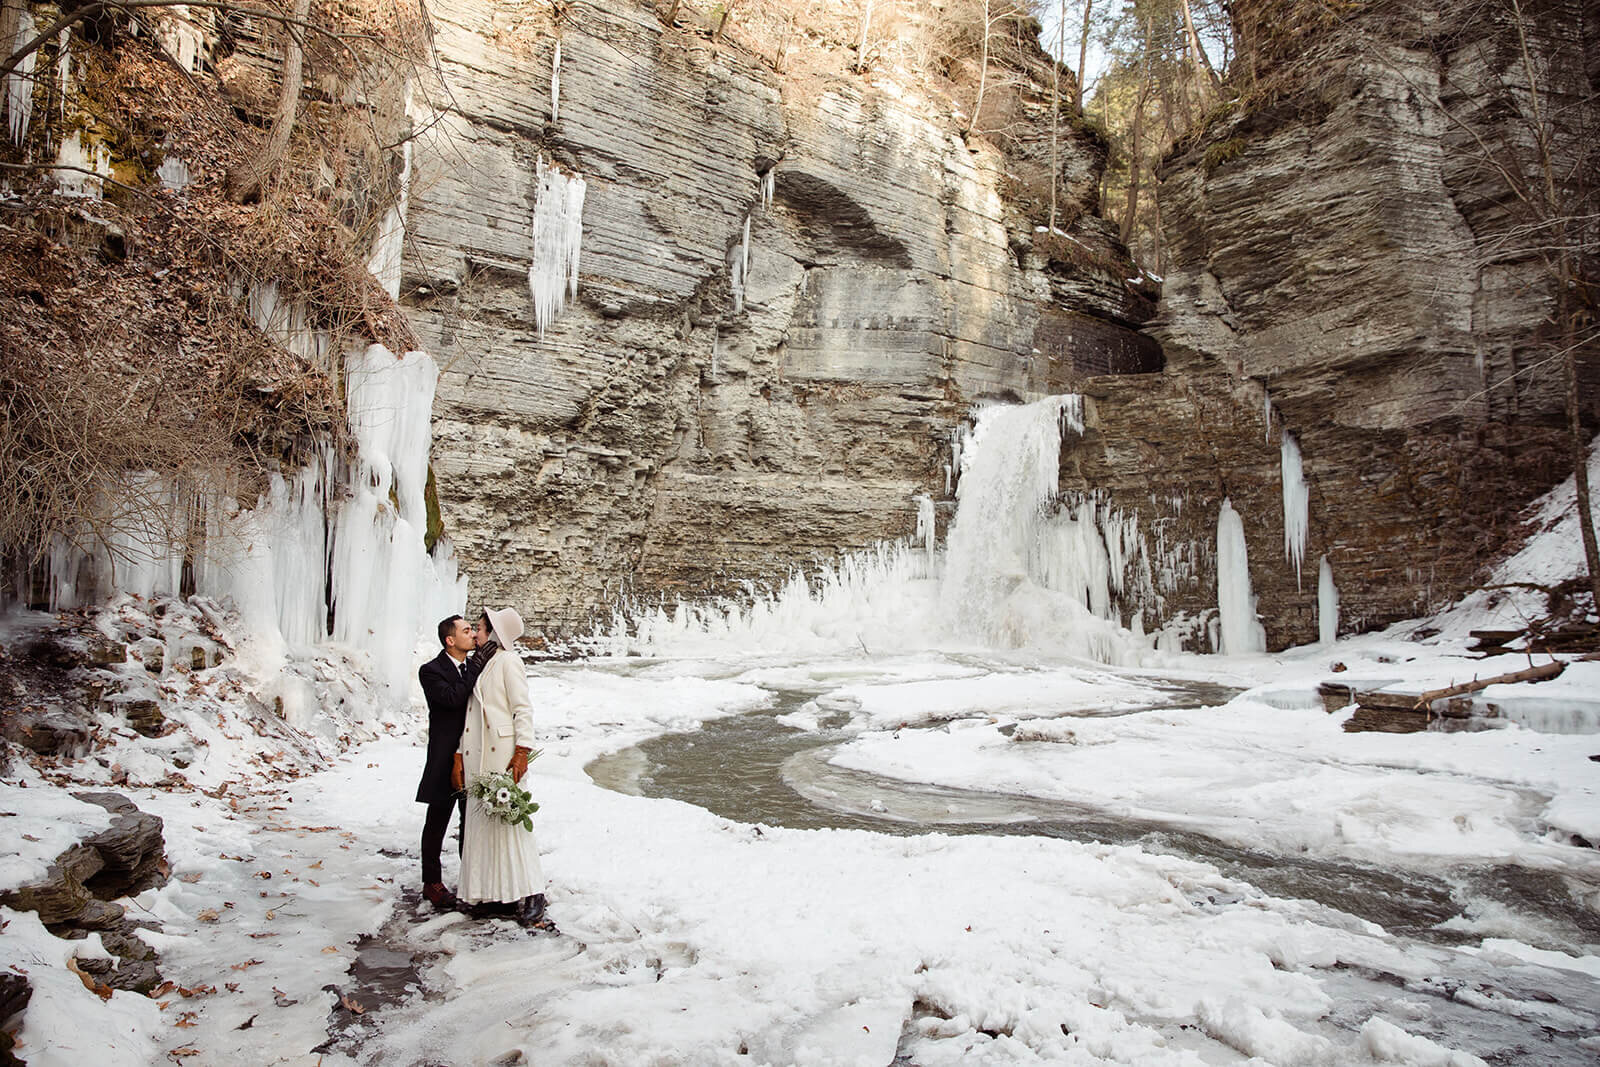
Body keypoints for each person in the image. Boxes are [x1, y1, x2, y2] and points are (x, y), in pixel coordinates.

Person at [453, 607, 549, 927]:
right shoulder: (479, 664)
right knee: (484, 826)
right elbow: (466, 714)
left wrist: (522, 751)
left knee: (512, 825)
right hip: (476, 754)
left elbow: (523, 710)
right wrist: (457, 754)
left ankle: (534, 893)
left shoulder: (508, 662)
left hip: (502, 756)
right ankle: (497, 897)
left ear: (494, 632)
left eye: (479, 628)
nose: (476, 633)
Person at [415, 614, 486, 911]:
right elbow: (453, 698)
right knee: (438, 820)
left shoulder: (473, 666)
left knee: (470, 819)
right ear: (450, 640)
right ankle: (431, 883)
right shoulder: (431, 671)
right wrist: (475, 670)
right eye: (466, 631)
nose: (472, 635)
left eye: (473, 630)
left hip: (472, 753)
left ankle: (470, 880)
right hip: (445, 757)